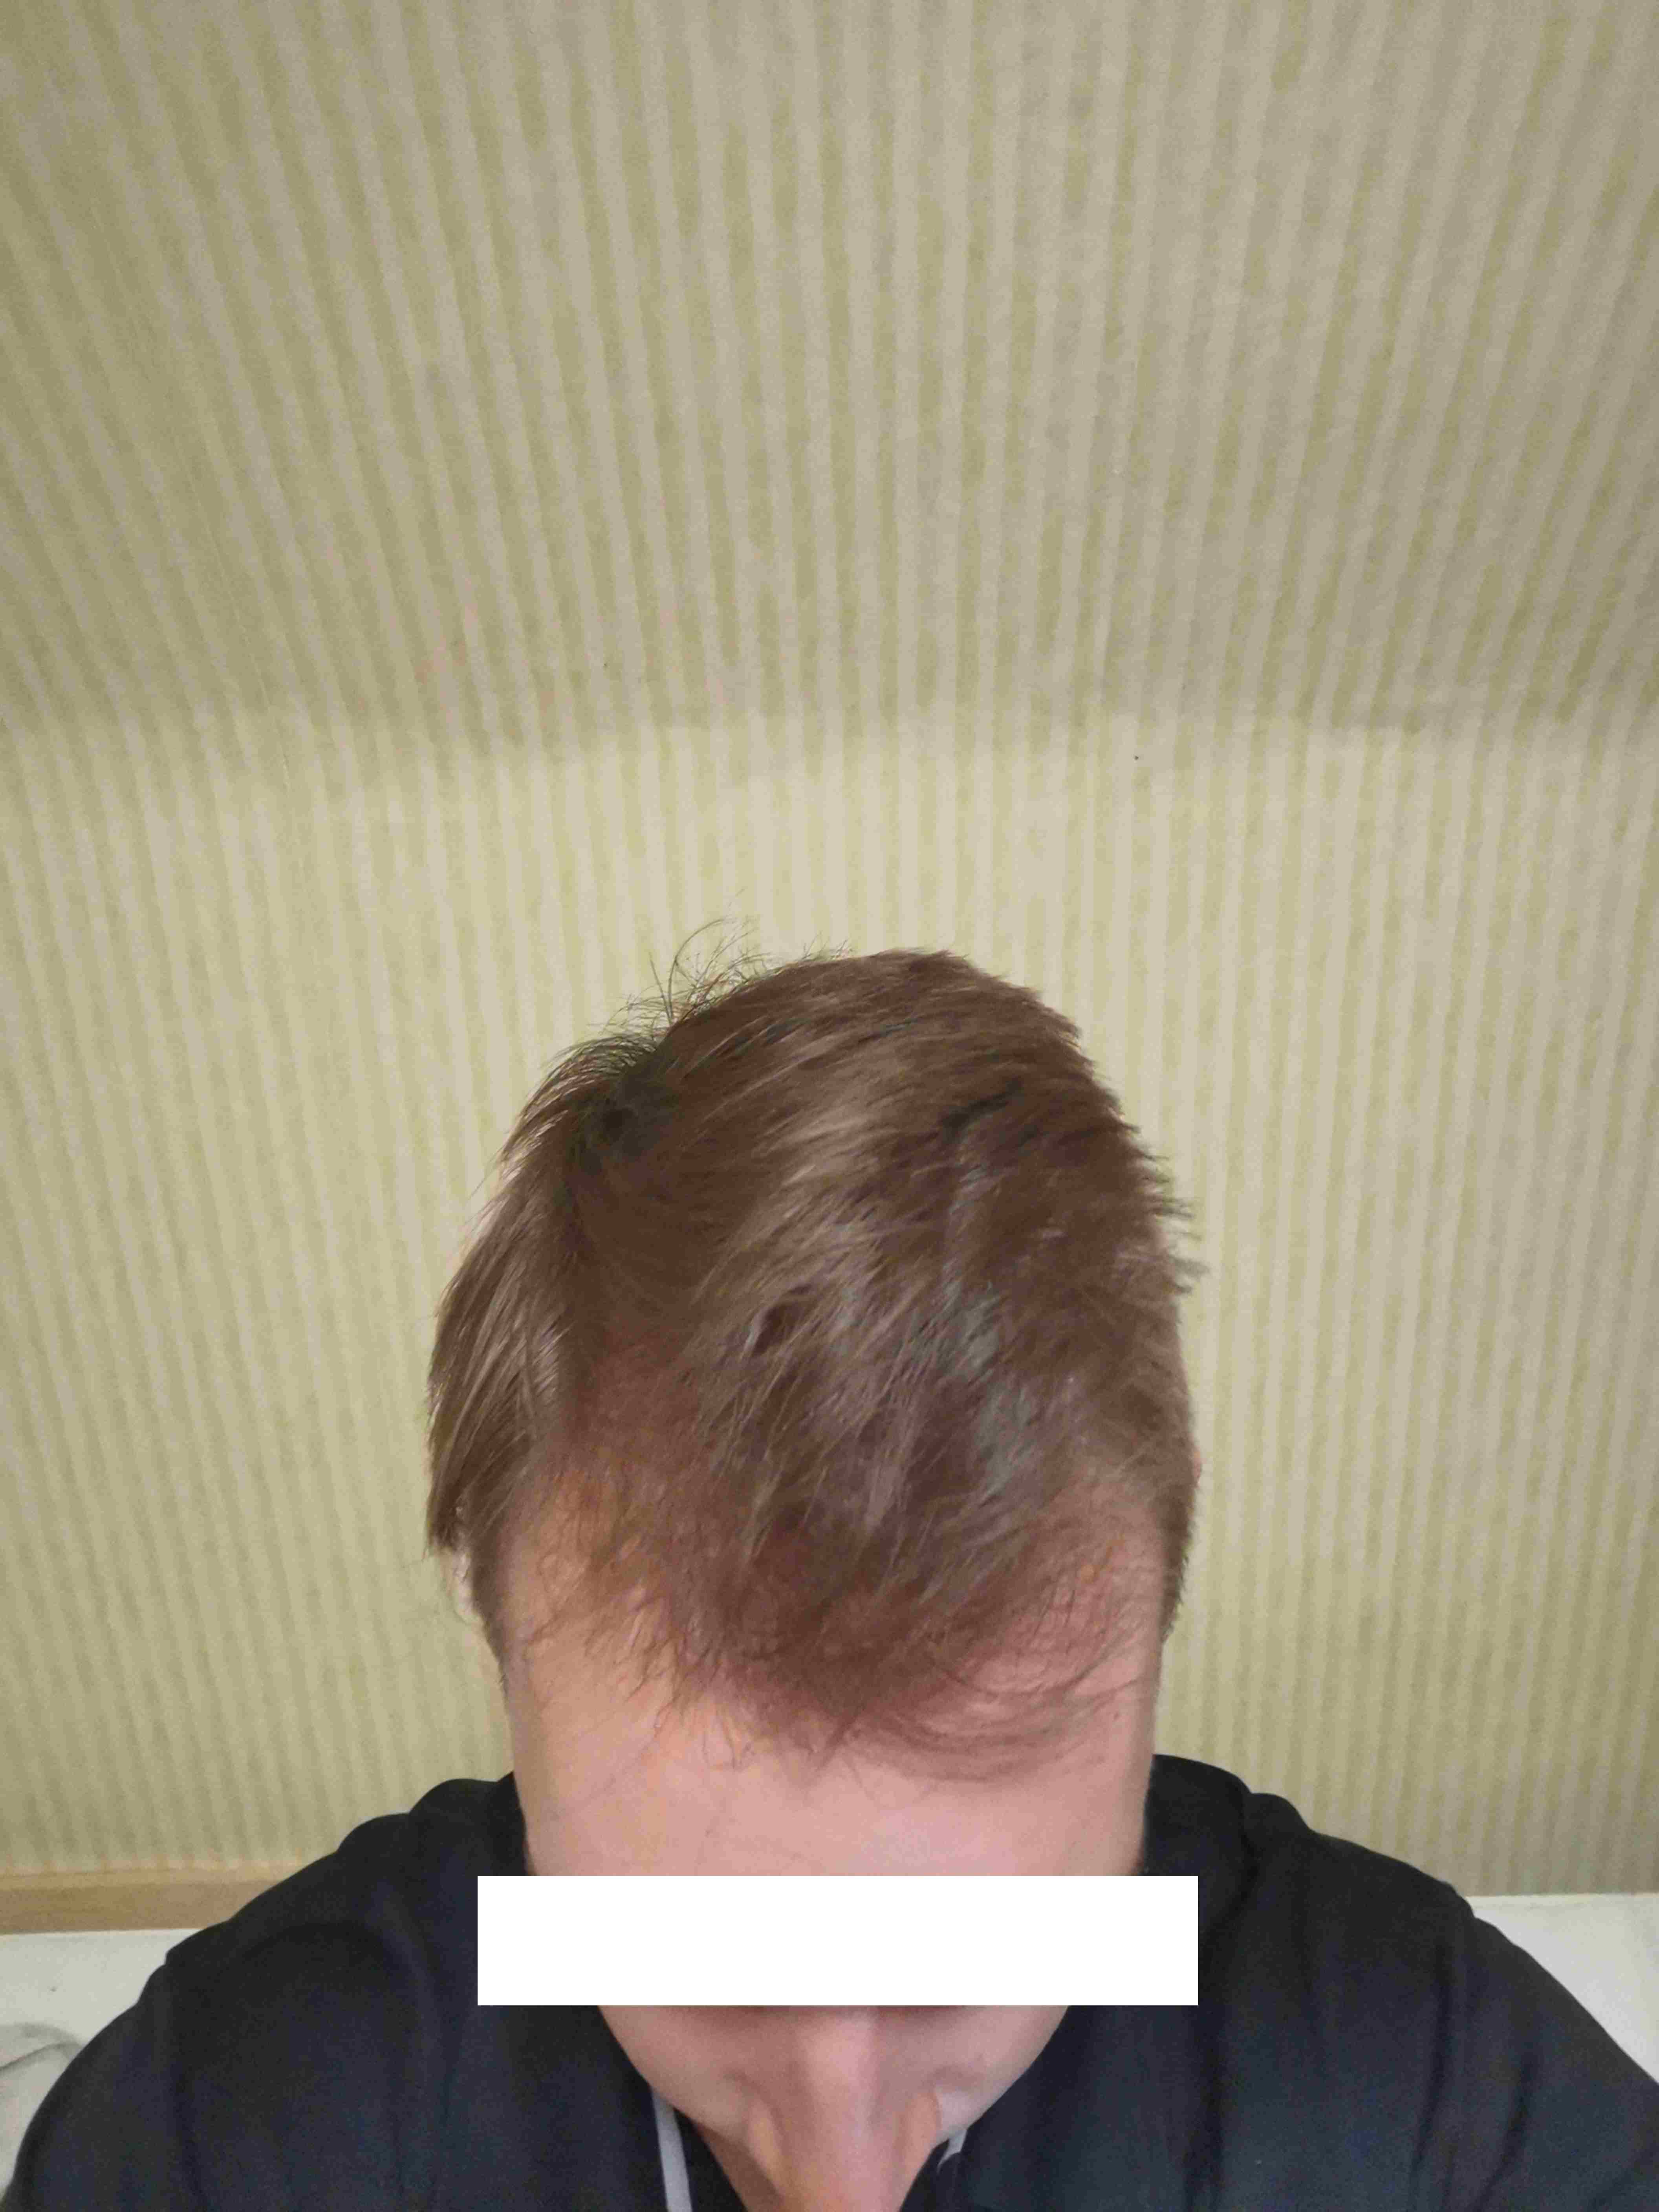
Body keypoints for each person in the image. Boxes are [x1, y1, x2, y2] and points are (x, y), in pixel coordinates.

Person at [10, 936, 1657, 2210]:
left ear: (1156, 1647)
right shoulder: (240, 2124)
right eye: (699, 1974)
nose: (843, 2181)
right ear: (496, 1644)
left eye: (976, 1972)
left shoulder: (1432, 2086)